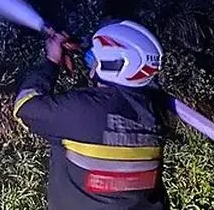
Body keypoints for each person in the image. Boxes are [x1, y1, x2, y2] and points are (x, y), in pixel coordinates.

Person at [13, 19, 172, 210]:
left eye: (93, 57)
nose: (91, 63)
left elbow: (24, 108)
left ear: (115, 64)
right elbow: (112, 103)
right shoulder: (156, 114)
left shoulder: (81, 110)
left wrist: (51, 61)